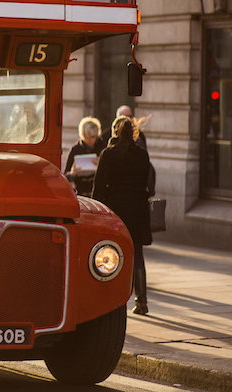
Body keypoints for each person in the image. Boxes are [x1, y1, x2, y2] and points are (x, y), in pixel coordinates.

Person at [93, 115, 152, 315]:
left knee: (111, 253)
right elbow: (147, 182)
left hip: (116, 208)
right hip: (137, 208)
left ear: (114, 132)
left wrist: (97, 211)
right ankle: (142, 301)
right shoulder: (142, 154)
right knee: (137, 254)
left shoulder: (108, 154)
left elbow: (99, 186)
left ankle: (112, 302)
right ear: (133, 132)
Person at [64, 116, 106, 197]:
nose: (90, 140)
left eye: (92, 137)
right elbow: (64, 176)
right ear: (82, 135)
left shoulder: (102, 148)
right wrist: (72, 174)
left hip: (98, 193)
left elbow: (111, 174)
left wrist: (101, 165)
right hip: (80, 192)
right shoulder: (75, 150)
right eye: (87, 137)